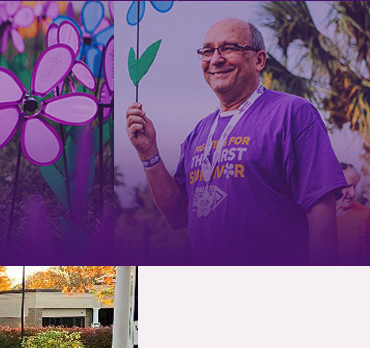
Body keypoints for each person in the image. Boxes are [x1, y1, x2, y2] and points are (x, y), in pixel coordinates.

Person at [124, 18, 346, 265]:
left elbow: (321, 209)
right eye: (208, 51)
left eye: (229, 48)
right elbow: (177, 216)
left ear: (259, 60)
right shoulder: (199, 132)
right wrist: (148, 153)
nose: (216, 59)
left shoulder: (293, 113)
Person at [336, 162, 370, 265]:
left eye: (354, 187)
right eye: (347, 186)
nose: (352, 193)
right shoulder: (318, 217)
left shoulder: (366, 215)